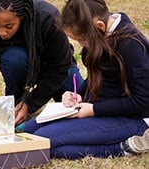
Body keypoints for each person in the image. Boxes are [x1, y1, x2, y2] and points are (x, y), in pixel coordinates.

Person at [24, 0, 149, 159]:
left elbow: (144, 100)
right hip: (104, 111)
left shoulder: (132, 46)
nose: (82, 45)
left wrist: (94, 110)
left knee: (44, 141)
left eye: (82, 40)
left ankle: (125, 147)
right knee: (29, 130)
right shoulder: (101, 37)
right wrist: (79, 94)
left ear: (100, 26)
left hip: (134, 119)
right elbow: (99, 77)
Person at [0, 0, 84, 130]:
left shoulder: (48, 18)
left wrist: (30, 104)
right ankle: (18, 106)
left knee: (80, 105)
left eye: (9, 26)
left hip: (58, 68)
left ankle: (30, 108)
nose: (2, 32)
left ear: (22, 16)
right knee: (14, 59)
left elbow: (59, 67)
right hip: (19, 67)